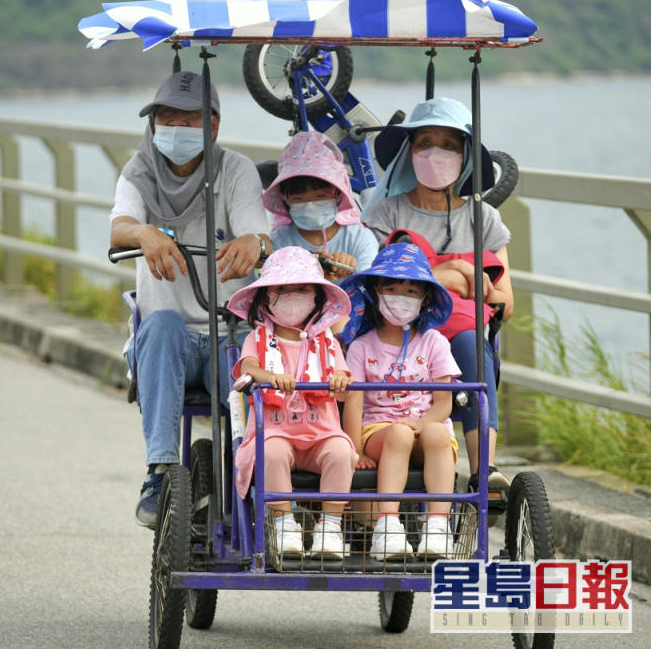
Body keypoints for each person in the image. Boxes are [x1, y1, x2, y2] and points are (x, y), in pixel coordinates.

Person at [109, 70, 272, 528]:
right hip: (170, 337)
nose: (175, 128)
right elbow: (119, 226)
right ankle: (159, 471)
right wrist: (144, 233)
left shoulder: (234, 169)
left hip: (229, 332)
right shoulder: (138, 171)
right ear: (153, 122)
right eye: (167, 118)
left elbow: (258, 231)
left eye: (188, 119)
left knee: (251, 386)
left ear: (212, 126)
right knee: (158, 323)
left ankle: (256, 474)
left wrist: (254, 244)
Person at [360, 97, 513, 498]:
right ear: (409, 153)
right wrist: (457, 274)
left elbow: (503, 303)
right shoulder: (385, 216)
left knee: (471, 345)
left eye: (448, 145)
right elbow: (379, 285)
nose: (436, 153)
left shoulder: (484, 219)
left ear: (464, 156)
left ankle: (485, 471)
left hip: (457, 337)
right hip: (396, 334)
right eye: (424, 142)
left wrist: (447, 277)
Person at [226, 246, 355, 558]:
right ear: (267, 297)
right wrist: (268, 375)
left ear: (317, 298)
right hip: (276, 433)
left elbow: (344, 380)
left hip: (320, 434)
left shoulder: (327, 341)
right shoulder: (256, 339)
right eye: (283, 289)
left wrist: (340, 378)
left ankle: (329, 526)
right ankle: (284, 525)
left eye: (302, 288)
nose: (293, 295)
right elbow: (247, 370)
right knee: (270, 451)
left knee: (341, 452)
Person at [340, 243, 461, 559]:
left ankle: (437, 527)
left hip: (426, 425)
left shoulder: (434, 342)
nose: (400, 297)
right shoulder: (361, 346)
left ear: (424, 298)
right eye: (391, 289)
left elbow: (443, 404)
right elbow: (353, 403)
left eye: (410, 291)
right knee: (399, 433)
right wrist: (354, 449)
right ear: (376, 292)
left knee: (436, 432)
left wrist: (420, 423)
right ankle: (387, 526)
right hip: (379, 430)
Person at [264, 131, 378, 282]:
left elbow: (371, 287)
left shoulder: (360, 239)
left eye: (321, 197)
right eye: (299, 199)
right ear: (285, 200)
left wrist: (353, 272)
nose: (310, 206)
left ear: (338, 194)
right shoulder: (279, 240)